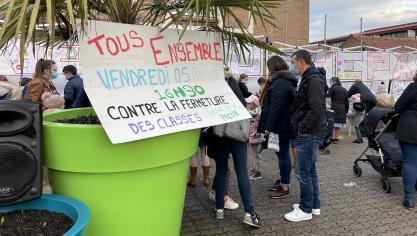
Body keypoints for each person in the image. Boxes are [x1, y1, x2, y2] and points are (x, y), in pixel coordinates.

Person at [207, 66, 261, 227]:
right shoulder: (231, 82)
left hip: (217, 133)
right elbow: (242, 105)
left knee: (222, 169)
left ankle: (219, 209)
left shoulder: (208, 84)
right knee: (241, 171)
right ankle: (249, 213)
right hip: (236, 132)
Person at [284, 49, 325, 222]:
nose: (292, 66)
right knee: (310, 170)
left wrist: (302, 128)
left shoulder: (313, 80)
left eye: (293, 63)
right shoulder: (308, 78)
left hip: (309, 133)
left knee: (302, 172)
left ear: (301, 61)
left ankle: (305, 209)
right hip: (309, 132)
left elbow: (316, 109)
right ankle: (314, 205)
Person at [258, 55, 297, 199]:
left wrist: (268, 128)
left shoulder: (280, 83)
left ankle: (285, 185)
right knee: (281, 153)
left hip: (280, 126)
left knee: (282, 155)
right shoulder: (285, 81)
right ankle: (283, 179)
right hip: (282, 125)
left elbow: (276, 107)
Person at [394, 73, 417, 209]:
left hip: (411, 127)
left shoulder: (414, 87)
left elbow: (398, 106)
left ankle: (408, 198)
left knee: (410, 162)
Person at [328, 77, 349, 143]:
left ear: (334, 81)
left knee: (333, 124)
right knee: (339, 124)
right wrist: (346, 110)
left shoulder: (332, 88)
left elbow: (328, 98)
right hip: (342, 108)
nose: (330, 83)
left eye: (330, 81)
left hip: (334, 108)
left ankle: (333, 138)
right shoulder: (344, 89)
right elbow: (347, 101)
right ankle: (337, 138)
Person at [246, 95, 262, 180]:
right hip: (252, 136)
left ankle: (258, 172)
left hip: (256, 136)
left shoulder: (257, 113)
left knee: (257, 155)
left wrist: (258, 133)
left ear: (254, 104)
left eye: (249, 103)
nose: (247, 104)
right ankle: (255, 168)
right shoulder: (252, 111)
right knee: (255, 154)